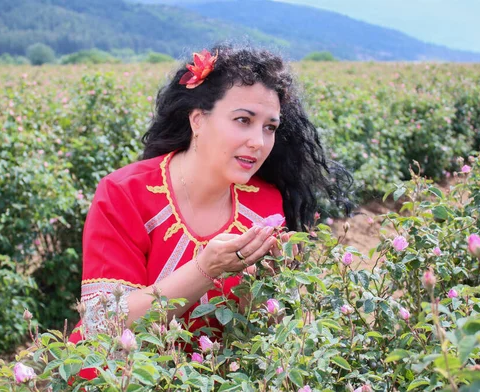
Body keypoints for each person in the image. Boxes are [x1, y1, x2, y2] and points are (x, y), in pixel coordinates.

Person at [68, 44, 352, 354]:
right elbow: (102, 327)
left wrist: (263, 291)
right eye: (243, 120)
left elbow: (262, 335)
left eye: (270, 127)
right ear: (198, 120)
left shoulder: (265, 205)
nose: (258, 142)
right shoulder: (125, 193)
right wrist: (206, 269)